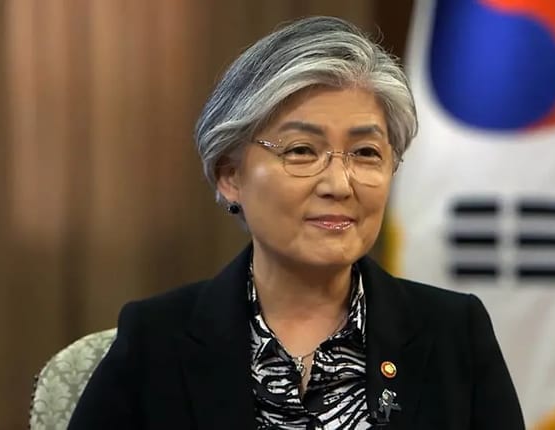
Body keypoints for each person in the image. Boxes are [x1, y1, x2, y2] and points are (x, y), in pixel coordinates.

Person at [68, 16, 524, 430]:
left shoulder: (454, 334)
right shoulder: (155, 340)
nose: (339, 184)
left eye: (366, 153)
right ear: (230, 176)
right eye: (302, 151)